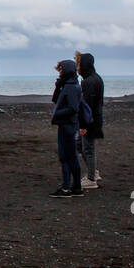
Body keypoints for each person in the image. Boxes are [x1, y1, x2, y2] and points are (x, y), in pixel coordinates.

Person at [48, 59, 85, 198]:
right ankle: (76, 187)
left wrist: (57, 114)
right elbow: (55, 100)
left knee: (65, 157)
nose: (60, 72)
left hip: (67, 125)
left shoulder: (71, 87)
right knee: (72, 156)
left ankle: (66, 188)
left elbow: (73, 108)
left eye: (61, 69)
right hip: (68, 124)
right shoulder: (70, 85)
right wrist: (58, 86)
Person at [75, 51, 104, 188]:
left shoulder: (89, 82)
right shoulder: (95, 78)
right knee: (80, 145)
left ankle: (92, 178)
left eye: (78, 64)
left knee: (87, 148)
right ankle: (93, 172)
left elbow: (86, 106)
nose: (77, 67)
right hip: (93, 120)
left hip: (89, 122)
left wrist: (83, 125)